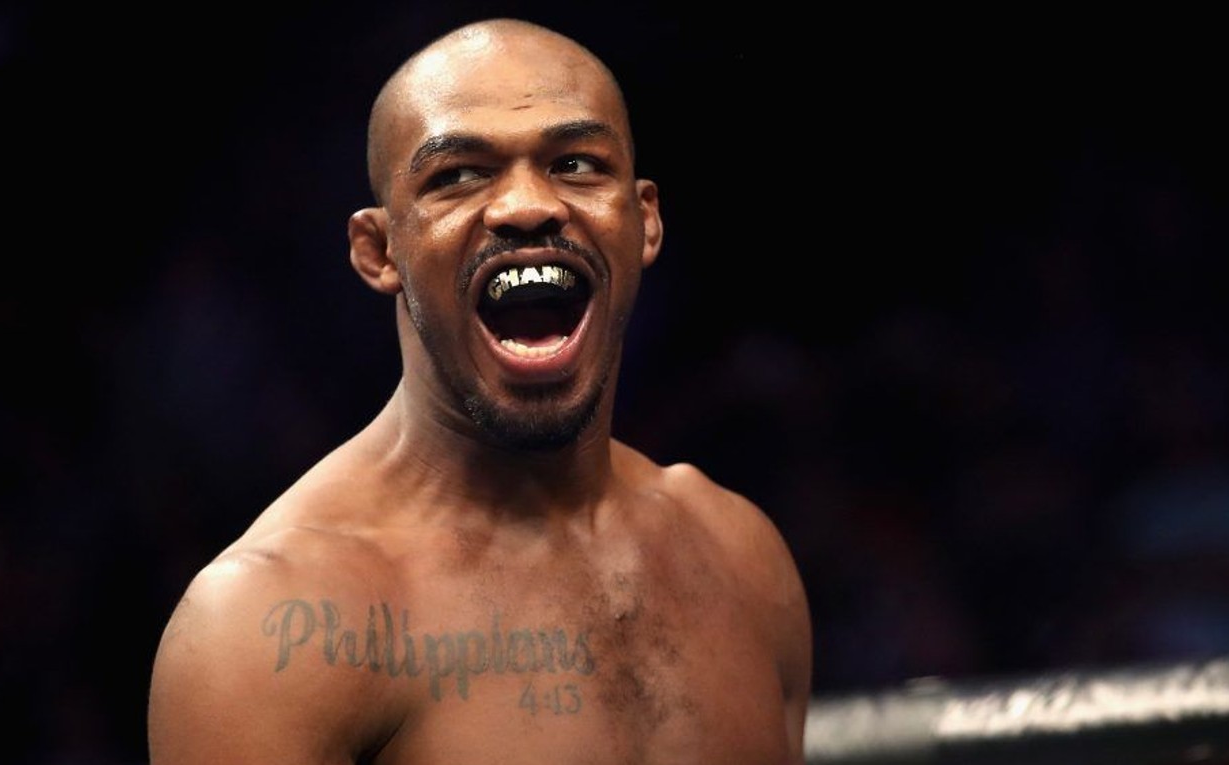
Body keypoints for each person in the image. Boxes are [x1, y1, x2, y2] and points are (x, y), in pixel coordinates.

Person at [147, 16, 813, 764]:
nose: (526, 206)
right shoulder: (265, 623)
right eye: (458, 175)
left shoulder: (740, 555)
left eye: (576, 163)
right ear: (379, 250)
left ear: (645, 221)